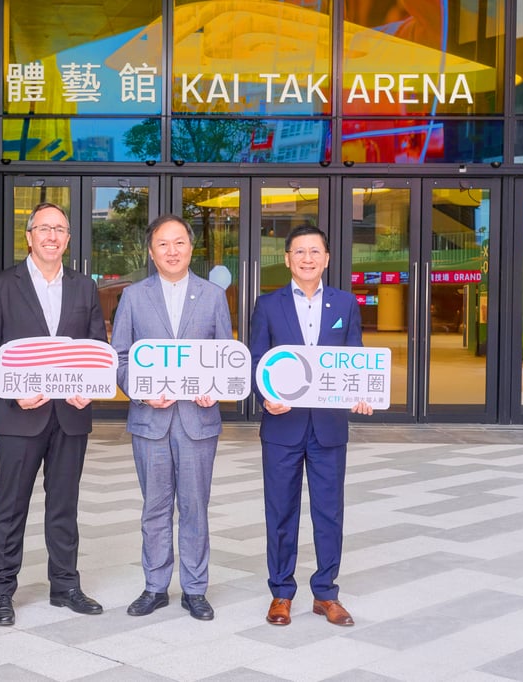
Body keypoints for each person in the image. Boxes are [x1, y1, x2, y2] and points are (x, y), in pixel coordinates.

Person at [0, 202, 107, 626]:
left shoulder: (84, 286)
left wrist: (88, 388)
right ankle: (1, 591)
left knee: (64, 506)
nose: (52, 236)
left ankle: (65, 586)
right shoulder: (1, 285)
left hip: (70, 415)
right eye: (43, 228)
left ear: (68, 239)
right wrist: (17, 389)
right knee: (10, 505)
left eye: (60, 229)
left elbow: (96, 348)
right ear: (29, 236)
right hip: (19, 415)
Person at [248, 224, 373, 628]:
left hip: (329, 427)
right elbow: (256, 361)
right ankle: (281, 593)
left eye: (314, 251)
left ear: (326, 258)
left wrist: (362, 392)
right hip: (282, 426)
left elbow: (355, 357)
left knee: (329, 512)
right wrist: (264, 395)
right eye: (299, 251)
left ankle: (326, 593)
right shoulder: (268, 305)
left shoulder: (345, 304)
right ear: (287, 259)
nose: (307, 258)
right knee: (280, 512)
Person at [111, 214, 233, 621]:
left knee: (195, 506)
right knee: (155, 507)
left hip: (198, 420)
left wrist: (214, 386)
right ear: (151, 251)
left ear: (191, 248)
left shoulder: (213, 296)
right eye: (163, 244)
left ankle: (196, 589)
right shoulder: (133, 296)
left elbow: (226, 360)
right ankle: (155, 586)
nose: (171, 250)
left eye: (179, 242)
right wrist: (143, 390)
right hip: (151, 420)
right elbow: (120, 358)